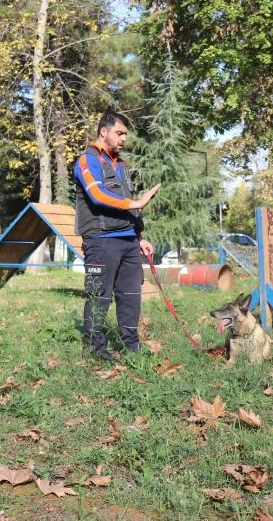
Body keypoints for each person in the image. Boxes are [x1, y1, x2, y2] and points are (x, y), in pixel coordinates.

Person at [73, 111, 160, 361]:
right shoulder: (87, 160)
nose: (124, 139)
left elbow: (127, 207)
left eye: (125, 134)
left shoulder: (122, 165)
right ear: (104, 132)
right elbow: (98, 195)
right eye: (119, 133)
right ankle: (95, 349)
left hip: (129, 242)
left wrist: (139, 237)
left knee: (131, 297)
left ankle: (131, 347)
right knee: (99, 296)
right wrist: (136, 202)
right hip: (100, 240)